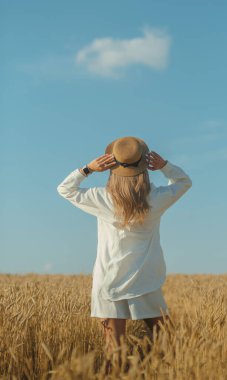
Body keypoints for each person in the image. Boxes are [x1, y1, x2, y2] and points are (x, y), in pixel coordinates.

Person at [57, 136, 192, 373]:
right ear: (145, 167)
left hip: (108, 283)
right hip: (146, 281)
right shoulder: (156, 198)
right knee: (169, 346)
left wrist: (88, 169)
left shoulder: (101, 198)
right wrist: (165, 166)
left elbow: (64, 189)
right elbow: (183, 182)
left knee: (114, 354)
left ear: (112, 167)